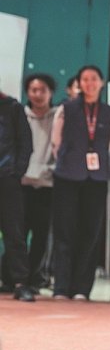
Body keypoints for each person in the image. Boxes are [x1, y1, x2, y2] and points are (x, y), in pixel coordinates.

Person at [50, 65, 110, 301]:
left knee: (90, 232)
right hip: (67, 176)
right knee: (64, 231)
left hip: (97, 179)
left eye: (93, 79)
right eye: (84, 79)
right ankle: (61, 287)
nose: (89, 83)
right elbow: (56, 142)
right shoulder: (66, 109)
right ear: (79, 83)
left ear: (101, 82)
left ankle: (82, 288)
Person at [19, 73, 57, 294]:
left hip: (47, 186)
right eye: (33, 90)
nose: (38, 94)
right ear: (27, 93)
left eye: (43, 90)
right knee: (19, 235)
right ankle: (16, 278)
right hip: (22, 184)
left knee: (41, 237)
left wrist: (48, 171)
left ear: (51, 92)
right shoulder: (20, 115)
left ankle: (34, 278)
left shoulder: (58, 116)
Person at [0, 85, 34, 301]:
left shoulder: (13, 107)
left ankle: (21, 283)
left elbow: (25, 143)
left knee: (14, 232)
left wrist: (17, 171)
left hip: (8, 179)